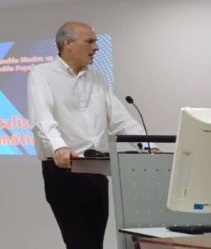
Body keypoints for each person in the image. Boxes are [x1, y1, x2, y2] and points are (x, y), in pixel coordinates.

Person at [28, 21, 147, 249]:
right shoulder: (42, 74)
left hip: (97, 171)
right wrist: (58, 147)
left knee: (94, 243)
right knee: (80, 243)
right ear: (68, 43)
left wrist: (148, 146)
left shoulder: (97, 78)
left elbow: (121, 120)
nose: (96, 47)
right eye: (90, 41)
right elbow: (42, 118)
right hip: (65, 170)